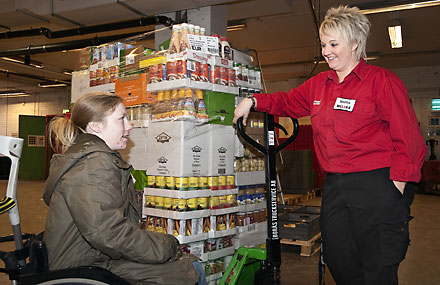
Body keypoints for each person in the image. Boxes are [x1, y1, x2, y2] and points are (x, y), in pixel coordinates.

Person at [234, 5, 426, 285]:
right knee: (338, 257)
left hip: (377, 182)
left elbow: (409, 138)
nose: (327, 51)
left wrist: (396, 185)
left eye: (334, 44)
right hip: (336, 185)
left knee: (379, 263)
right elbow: (287, 101)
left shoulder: (381, 82)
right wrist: (253, 100)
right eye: (324, 44)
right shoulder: (318, 85)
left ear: (355, 44)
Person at [43, 92, 206, 285]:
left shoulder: (91, 158)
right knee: (189, 270)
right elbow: (108, 233)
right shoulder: (93, 165)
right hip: (84, 267)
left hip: (94, 258)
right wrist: (168, 245)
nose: (130, 125)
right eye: (122, 119)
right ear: (96, 126)